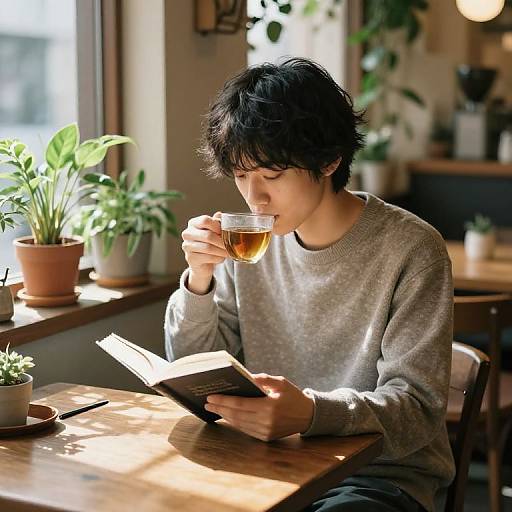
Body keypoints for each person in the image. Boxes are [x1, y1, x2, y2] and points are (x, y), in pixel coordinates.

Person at [165, 57, 454, 512]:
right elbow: (192, 372)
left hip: (376, 478)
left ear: (329, 159)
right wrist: (199, 282)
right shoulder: (249, 245)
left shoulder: (412, 248)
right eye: (242, 176)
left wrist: (313, 413)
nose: (254, 197)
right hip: (267, 462)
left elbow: (416, 409)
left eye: (272, 175)